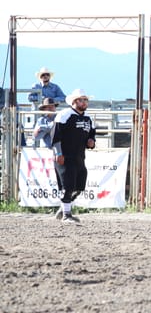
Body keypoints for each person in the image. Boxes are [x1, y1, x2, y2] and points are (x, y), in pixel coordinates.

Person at [52, 89, 96, 223]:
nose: (85, 102)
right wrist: (58, 152)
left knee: (79, 187)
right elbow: (56, 136)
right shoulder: (64, 115)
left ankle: (64, 208)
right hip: (65, 156)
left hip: (79, 157)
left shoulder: (88, 118)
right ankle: (66, 214)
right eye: (82, 99)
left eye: (86, 100)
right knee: (68, 186)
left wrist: (91, 143)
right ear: (74, 101)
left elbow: (91, 136)